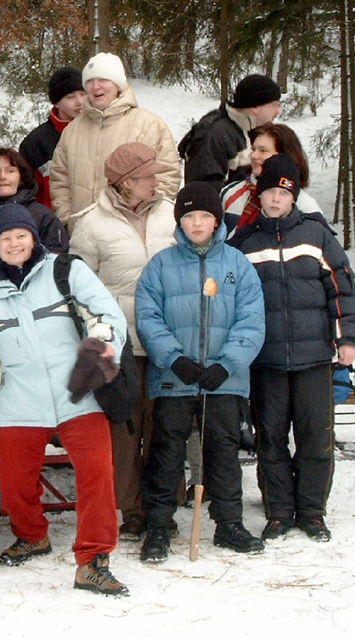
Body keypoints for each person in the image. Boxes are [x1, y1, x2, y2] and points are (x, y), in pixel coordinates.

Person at [0, 203, 130, 597]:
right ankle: (33, 535)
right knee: (12, 483)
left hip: (78, 395)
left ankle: (93, 560)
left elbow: (109, 316)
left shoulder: (67, 272)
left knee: (97, 476)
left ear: (33, 237)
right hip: (20, 403)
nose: (14, 244)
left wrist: (100, 345)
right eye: (5, 238)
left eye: (21, 235)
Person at [229, 155, 355, 543]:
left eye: (282, 193)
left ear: (293, 197)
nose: (274, 199)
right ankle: (279, 511)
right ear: (260, 195)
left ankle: (313, 511)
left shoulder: (317, 236)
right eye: (268, 192)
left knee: (315, 437)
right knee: (270, 438)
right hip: (266, 360)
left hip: (314, 357)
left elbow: (342, 288)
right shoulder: (245, 243)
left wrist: (346, 338)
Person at [134, 182, 266, 563]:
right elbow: (148, 317)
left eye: (205, 215)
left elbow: (252, 321)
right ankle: (158, 526)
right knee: (165, 453)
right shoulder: (161, 265)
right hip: (176, 379)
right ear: (179, 220)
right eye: (189, 216)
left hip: (224, 382)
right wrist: (174, 359)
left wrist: (227, 365)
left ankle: (229, 524)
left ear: (216, 220)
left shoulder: (237, 264)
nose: (197, 223)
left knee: (223, 452)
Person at [68, 142, 176, 541]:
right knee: (126, 431)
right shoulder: (91, 225)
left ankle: (164, 503)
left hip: (167, 341)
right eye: (149, 175)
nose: (157, 180)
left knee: (164, 426)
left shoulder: (171, 214)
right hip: (122, 346)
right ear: (127, 182)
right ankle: (131, 509)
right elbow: (80, 290)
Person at [49, 52, 181, 230]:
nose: (96, 87)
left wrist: (143, 219)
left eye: (103, 79)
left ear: (118, 84)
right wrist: (68, 219)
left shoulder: (149, 125)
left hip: (132, 234)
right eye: (90, 81)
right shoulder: (72, 130)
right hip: (83, 236)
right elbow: (59, 179)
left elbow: (167, 176)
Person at [177, 73, 282, 191]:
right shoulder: (214, 135)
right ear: (255, 106)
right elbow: (203, 191)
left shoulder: (254, 131)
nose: (278, 111)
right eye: (275, 105)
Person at [220, 122, 323, 232]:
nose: (253, 156)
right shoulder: (230, 194)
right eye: (253, 149)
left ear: (285, 156)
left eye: (263, 151)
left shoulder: (305, 206)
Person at [19, 66, 85, 209]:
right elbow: (27, 195)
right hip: (52, 223)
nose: (79, 101)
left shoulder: (100, 131)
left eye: (82, 94)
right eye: (70, 97)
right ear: (56, 102)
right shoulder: (36, 143)